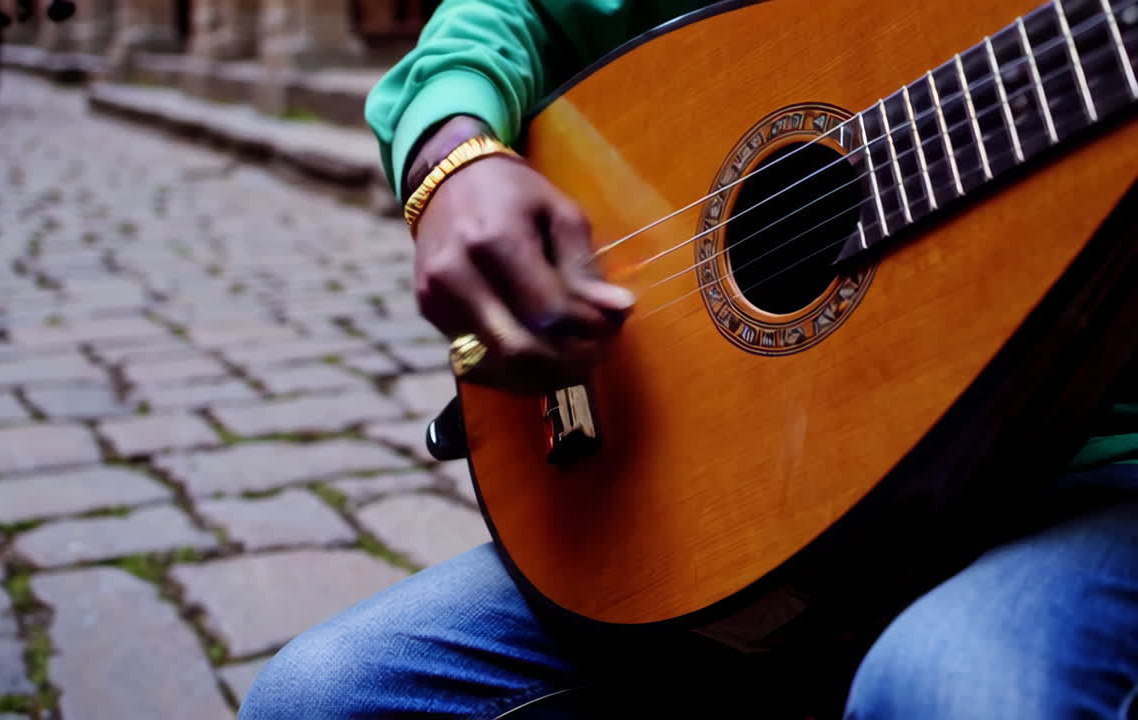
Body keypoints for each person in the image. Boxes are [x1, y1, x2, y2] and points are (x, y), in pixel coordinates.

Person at [240, 2, 1138, 717]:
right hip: (708, 519)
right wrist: (455, 159)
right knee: (319, 696)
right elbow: (506, 15)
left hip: (1085, 481)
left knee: (950, 683)